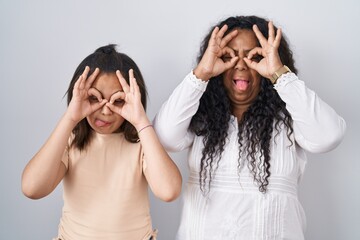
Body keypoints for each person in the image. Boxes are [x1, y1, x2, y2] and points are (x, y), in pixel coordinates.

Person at [153, 15, 346, 239]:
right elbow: (163, 136)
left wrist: (279, 74)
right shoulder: (201, 120)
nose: (241, 65)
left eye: (254, 56)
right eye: (228, 56)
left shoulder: (290, 119)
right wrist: (202, 73)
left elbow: (329, 136)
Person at [21, 44, 182, 240]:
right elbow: (32, 188)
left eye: (118, 100)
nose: (105, 111)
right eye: (94, 98)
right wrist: (70, 118)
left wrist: (141, 121)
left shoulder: (142, 143)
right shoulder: (69, 141)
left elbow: (169, 191)